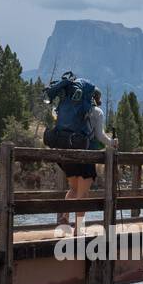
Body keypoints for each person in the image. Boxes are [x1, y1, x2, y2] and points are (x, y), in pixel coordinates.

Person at [58, 89, 112, 232]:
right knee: (83, 194)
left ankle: (65, 215)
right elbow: (100, 136)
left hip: (69, 156)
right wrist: (113, 143)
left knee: (74, 189)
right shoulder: (97, 112)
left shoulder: (72, 109)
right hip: (86, 157)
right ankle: (78, 228)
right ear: (96, 98)